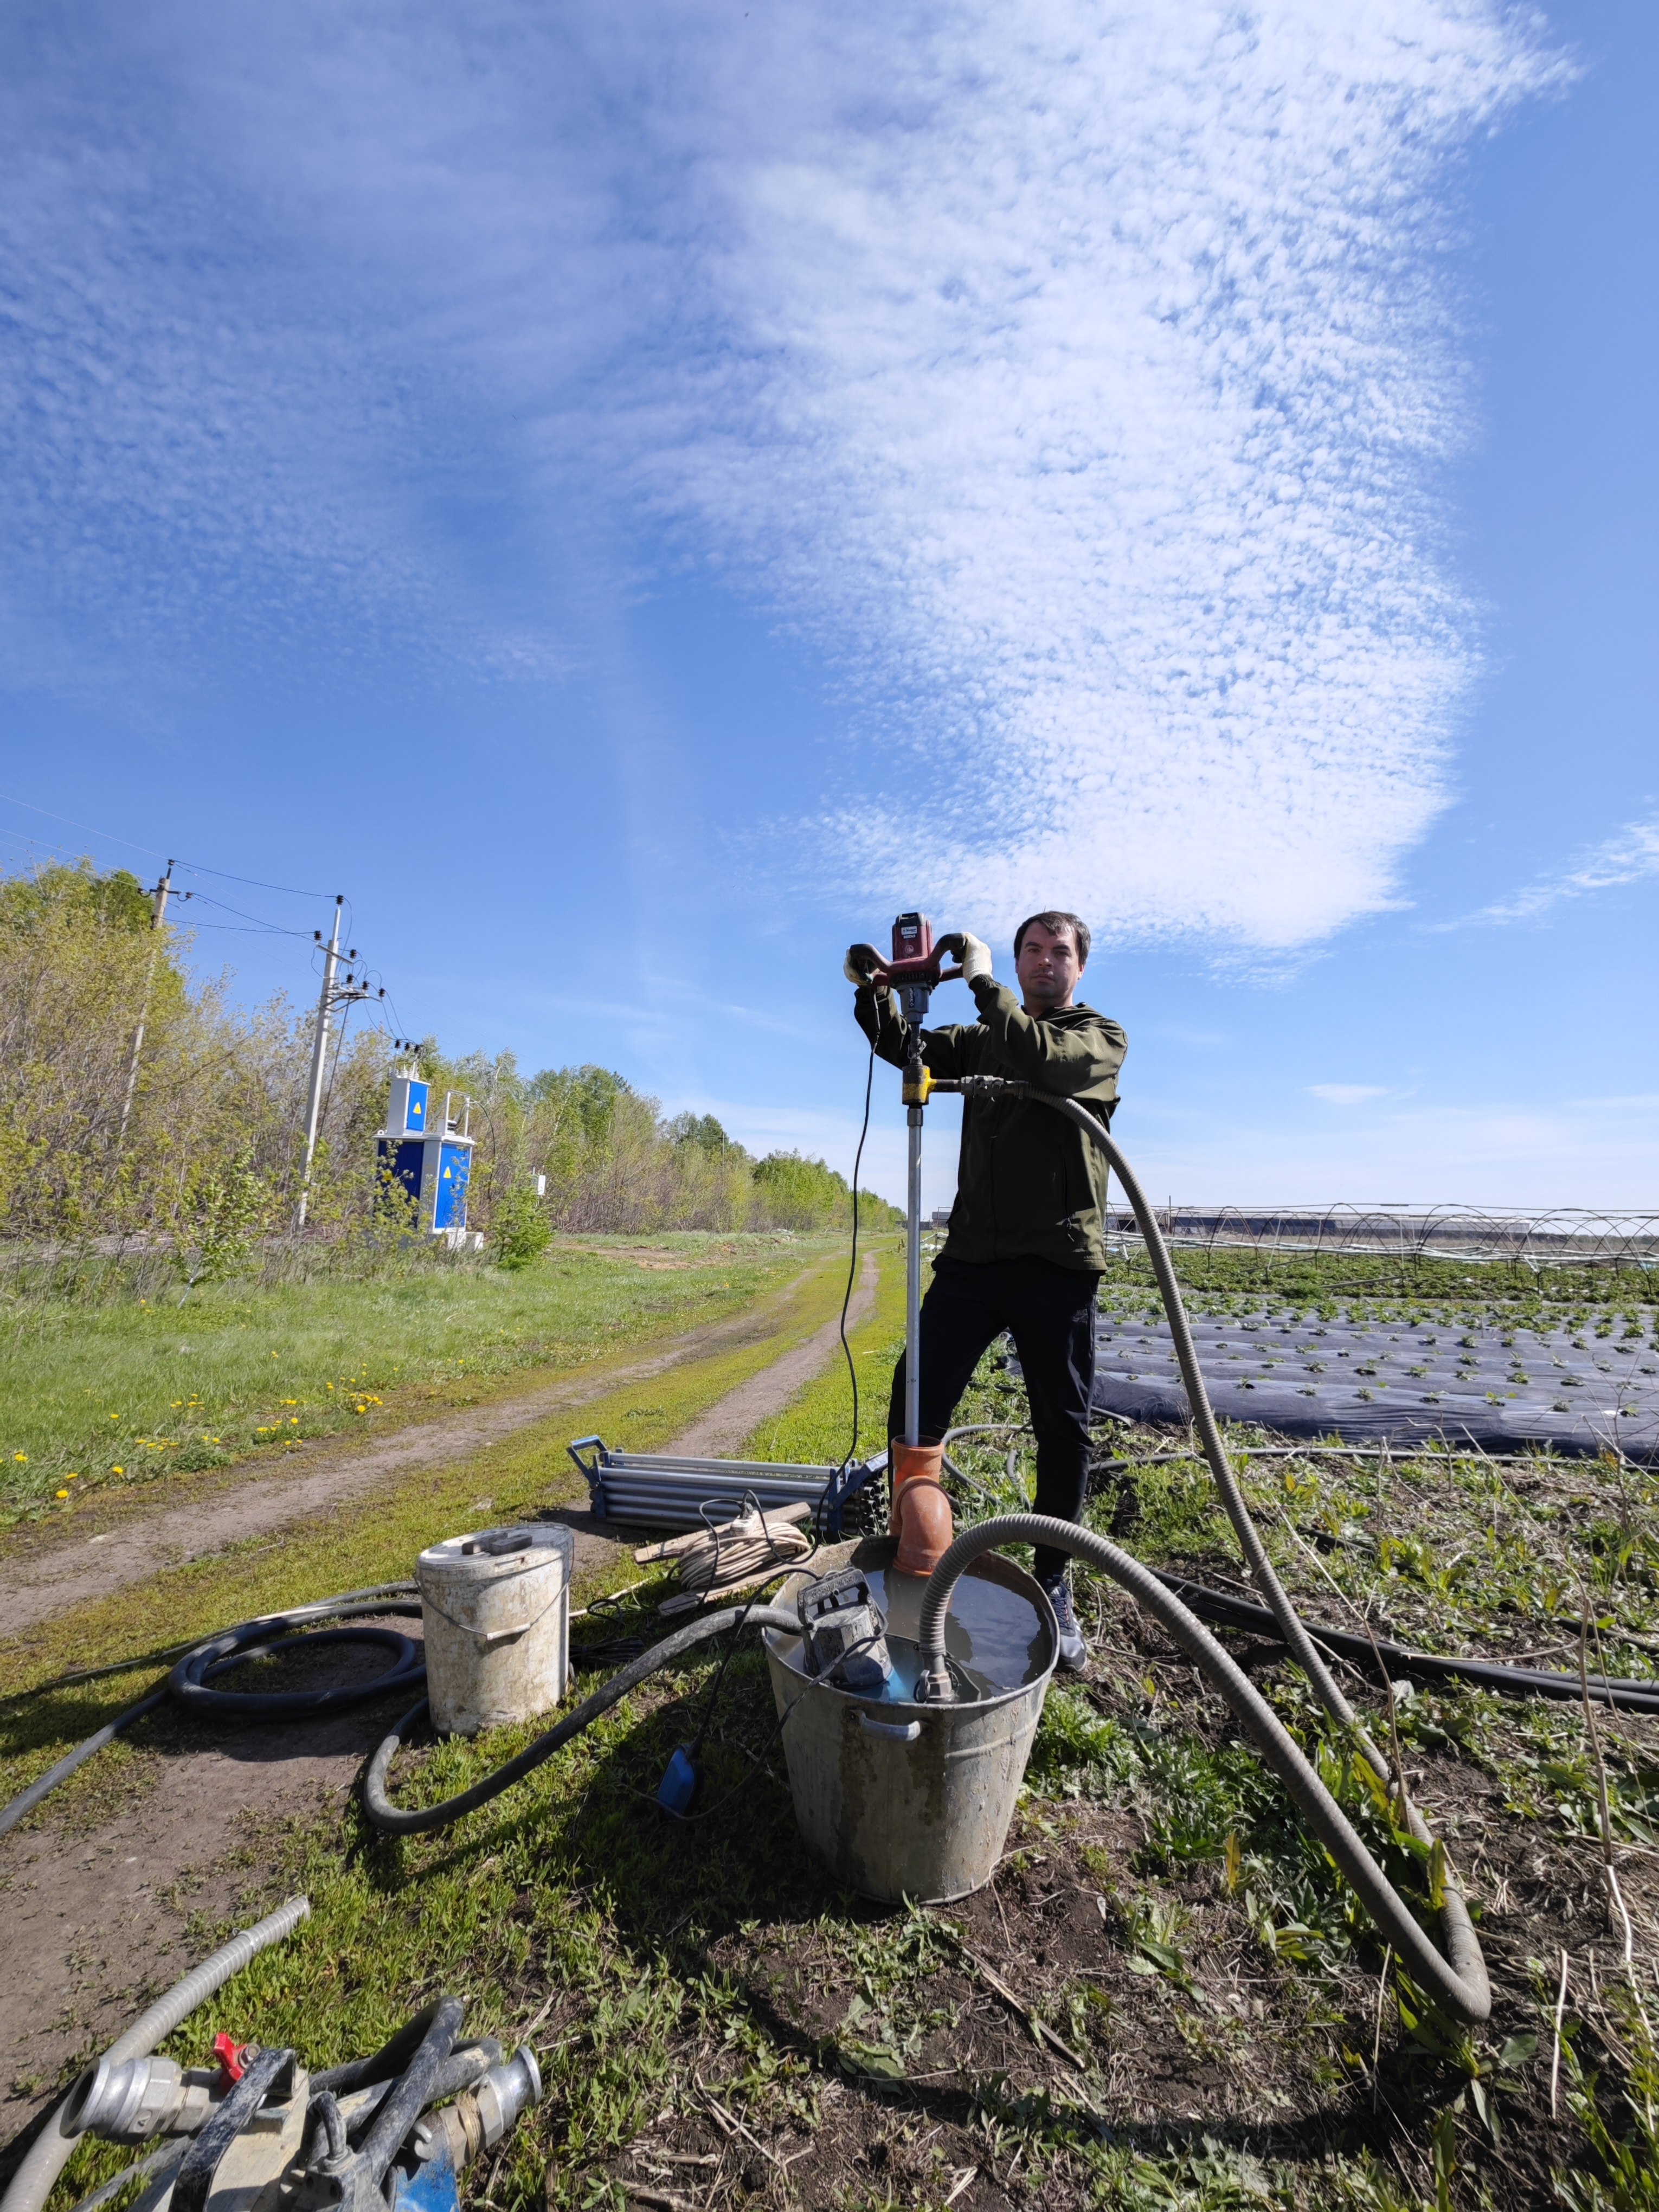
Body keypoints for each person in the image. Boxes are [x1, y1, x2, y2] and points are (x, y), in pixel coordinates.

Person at [846, 911, 1126, 1670]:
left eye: (1058, 953)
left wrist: (979, 981)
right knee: (916, 1395)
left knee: (1061, 1427)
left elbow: (1045, 1064)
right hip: (973, 1260)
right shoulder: (982, 1035)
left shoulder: (1098, 1039)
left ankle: (1055, 1582)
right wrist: (875, 994)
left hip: (1056, 1266)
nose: (1044, 962)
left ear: (1078, 968)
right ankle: (916, 1539)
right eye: (1031, 950)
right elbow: (905, 1047)